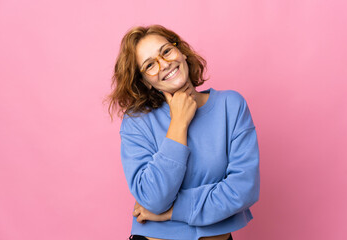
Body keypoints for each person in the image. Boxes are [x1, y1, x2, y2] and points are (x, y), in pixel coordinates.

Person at [105, 24, 260, 240]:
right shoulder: (136, 121)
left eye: (166, 51)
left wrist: (170, 212)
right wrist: (178, 123)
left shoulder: (231, 106)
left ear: (181, 52)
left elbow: (243, 190)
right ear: (145, 82)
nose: (164, 64)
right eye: (150, 65)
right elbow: (153, 199)